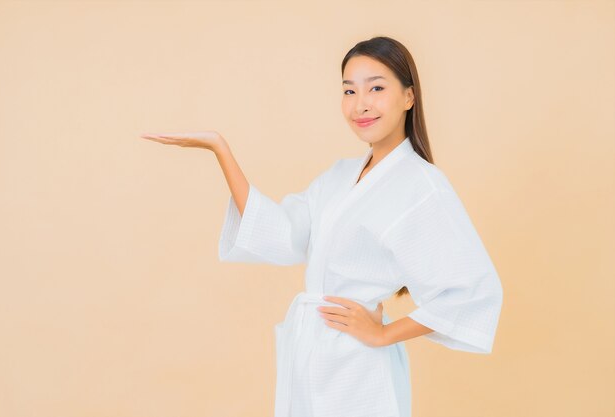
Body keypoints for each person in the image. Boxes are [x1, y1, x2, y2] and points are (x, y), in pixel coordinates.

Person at [140, 36, 503, 417]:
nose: (360, 104)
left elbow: (470, 291)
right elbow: (280, 235)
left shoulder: (421, 185)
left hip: (359, 366)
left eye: (376, 88)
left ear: (408, 97)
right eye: (349, 90)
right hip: (311, 353)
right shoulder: (338, 177)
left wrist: (383, 334)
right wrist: (221, 150)